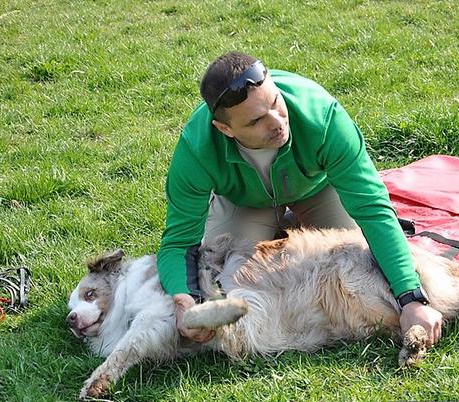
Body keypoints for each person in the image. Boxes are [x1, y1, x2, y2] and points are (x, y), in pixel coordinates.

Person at [157, 51, 443, 347]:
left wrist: (412, 299)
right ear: (225, 129)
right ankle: (282, 225)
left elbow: (373, 210)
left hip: (316, 189)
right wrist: (184, 301)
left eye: (275, 102)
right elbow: (178, 243)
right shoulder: (195, 148)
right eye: (256, 121)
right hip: (245, 203)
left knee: (357, 256)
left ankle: (292, 223)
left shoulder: (321, 113)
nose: (277, 121)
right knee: (224, 274)